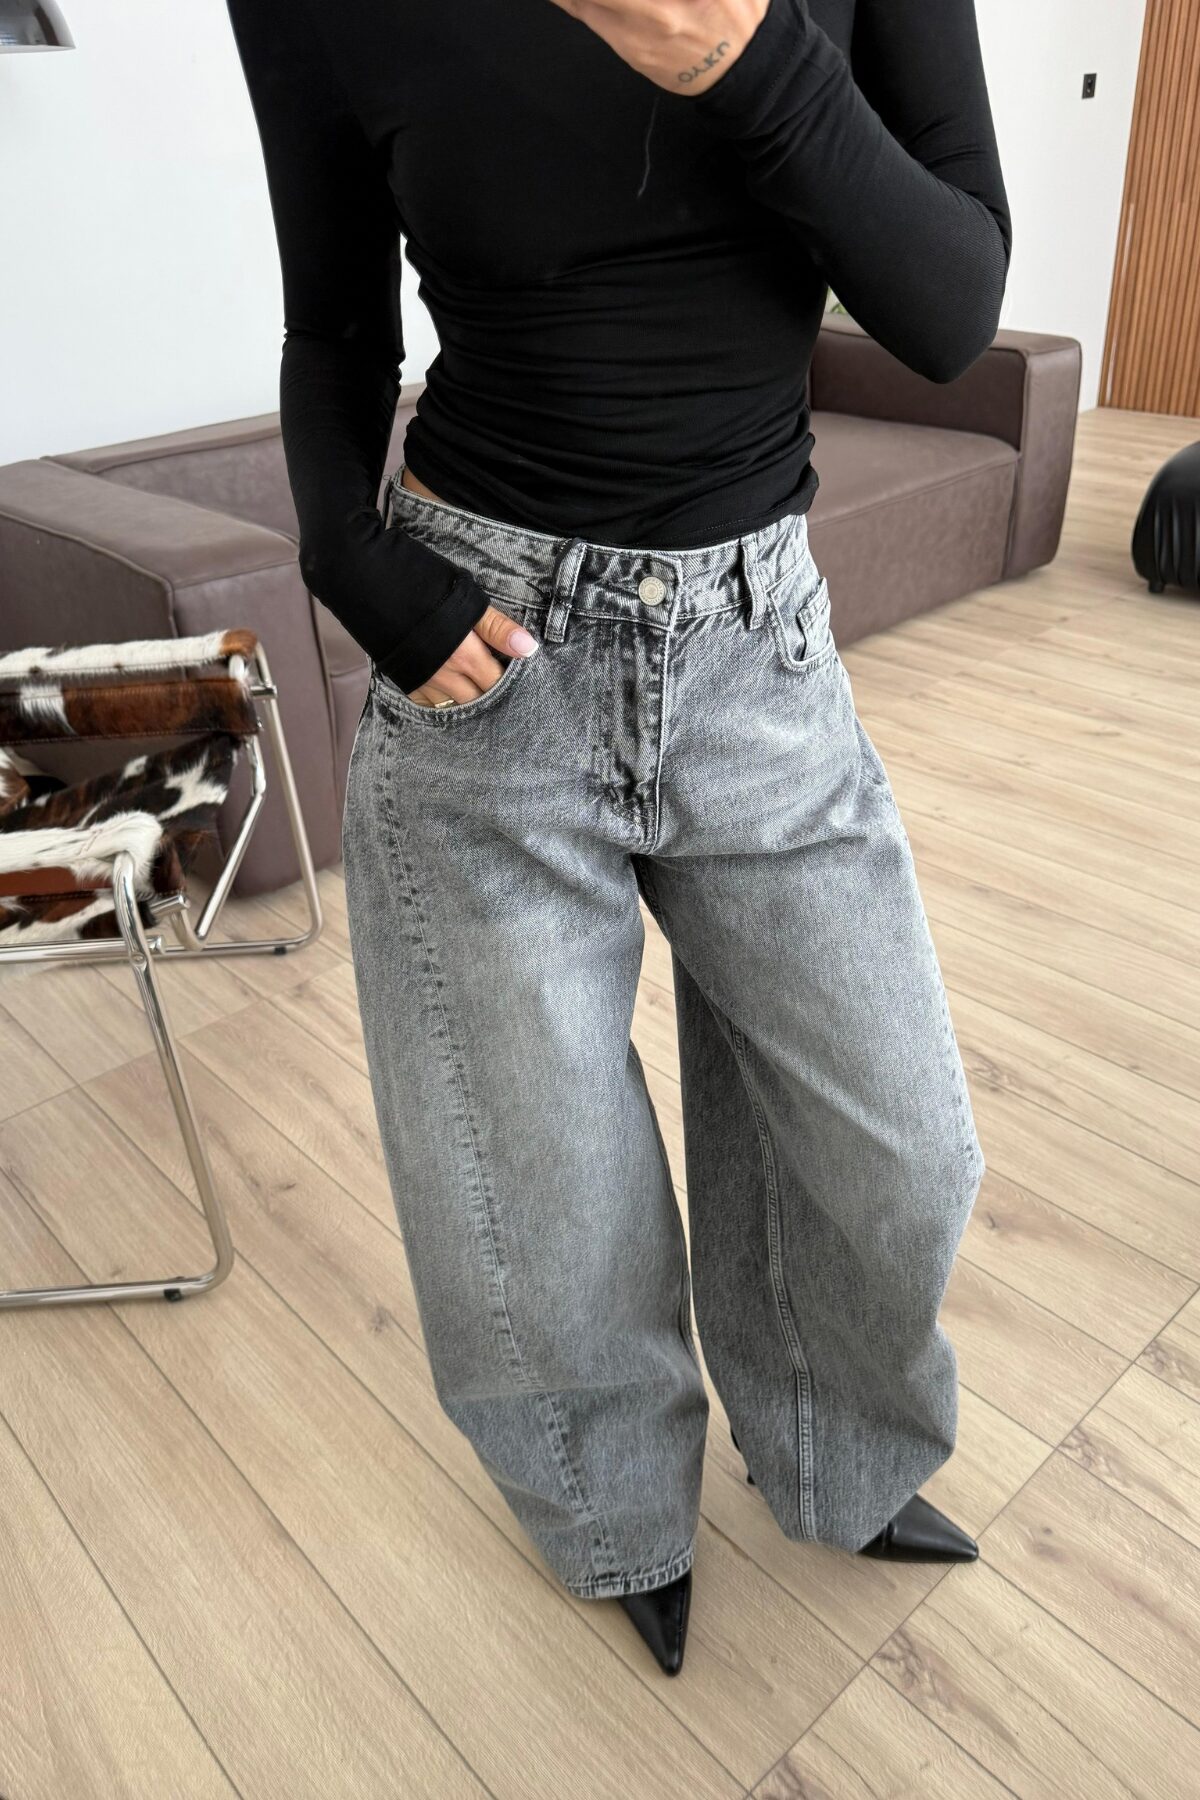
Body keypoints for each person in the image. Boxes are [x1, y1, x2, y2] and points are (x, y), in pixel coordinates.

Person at [225, 0, 1009, 1677]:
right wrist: (344, 554)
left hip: (758, 651)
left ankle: (838, 1450)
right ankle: (616, 1516)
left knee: (901, 1151)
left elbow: (952, 311)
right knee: (547, 1205)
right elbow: (333, 322)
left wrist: (746, 59)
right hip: (485, 652)